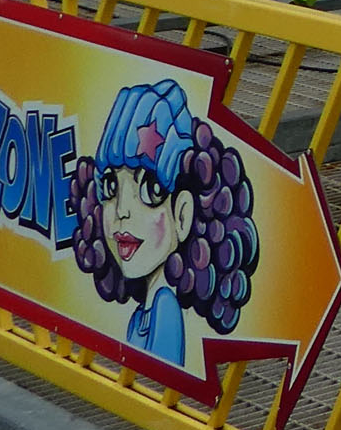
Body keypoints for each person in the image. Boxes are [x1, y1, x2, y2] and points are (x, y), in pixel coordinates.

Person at [64, 78, 261, 378]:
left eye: (151, 189)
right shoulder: (145, 310)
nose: (121, 211)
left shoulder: (165, 306)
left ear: (183, 215)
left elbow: (159, 379)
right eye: (110, 186)